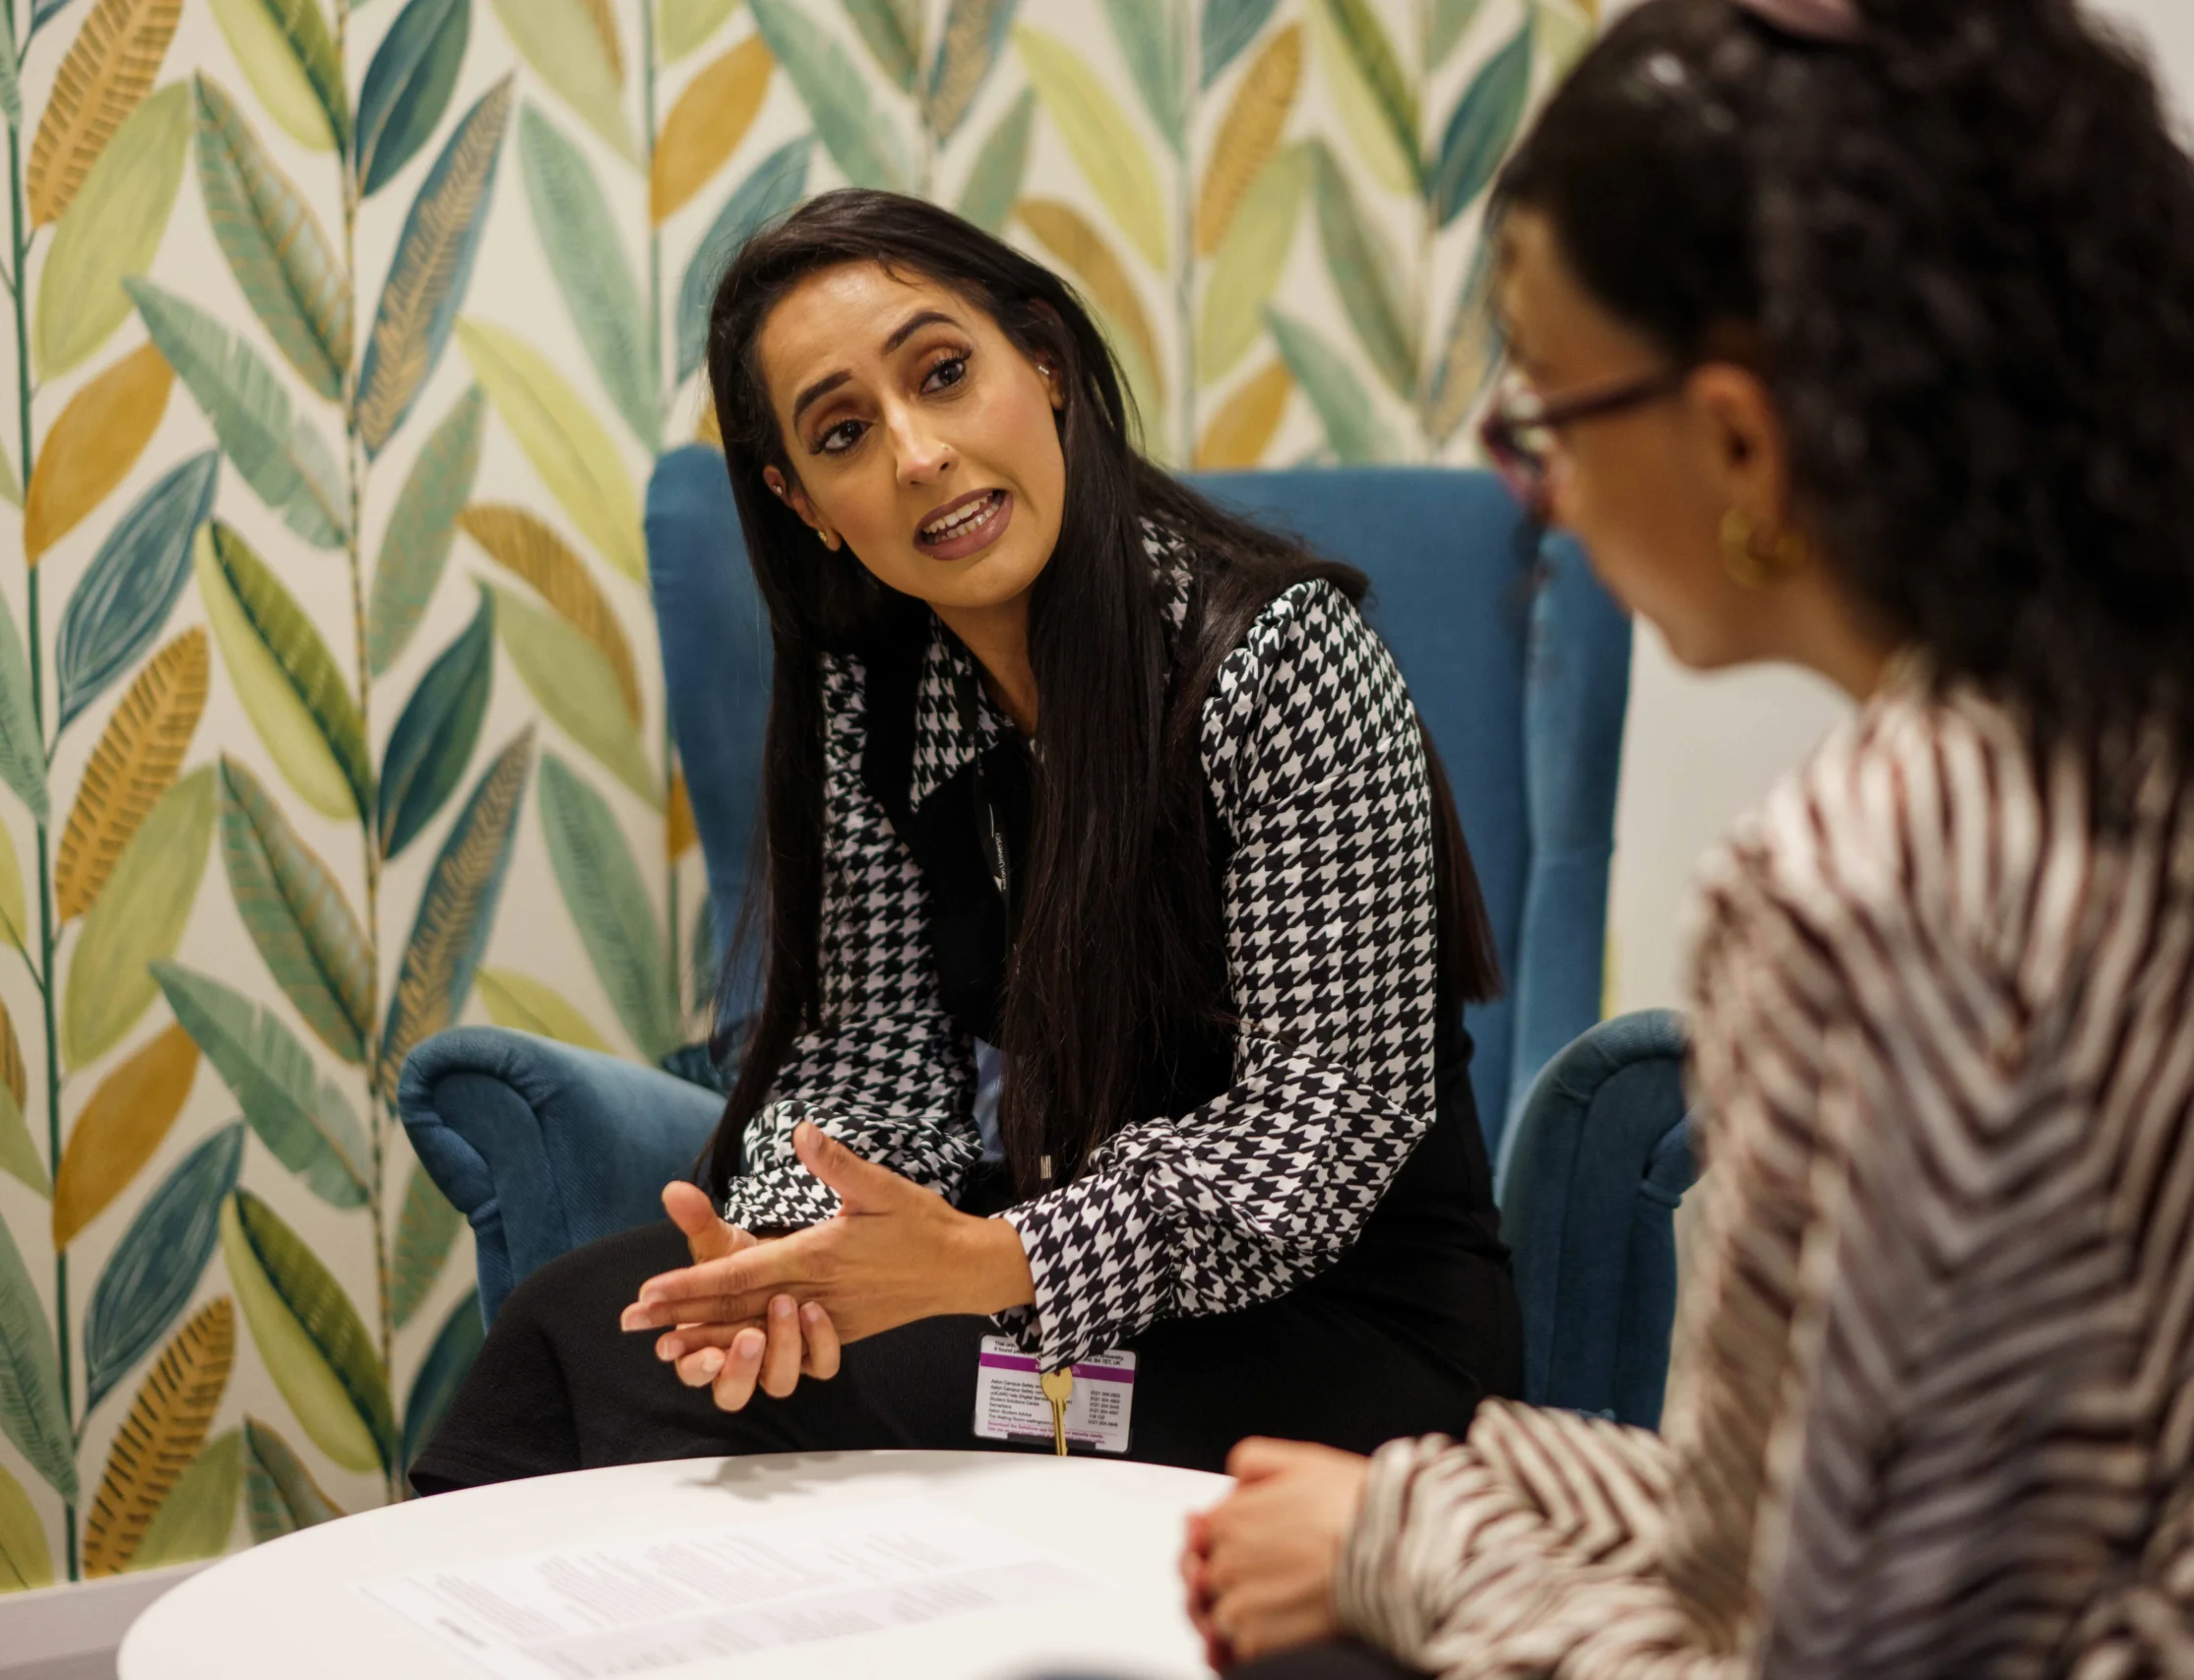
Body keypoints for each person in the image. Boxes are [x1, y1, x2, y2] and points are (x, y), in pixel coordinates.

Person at [1182, 0, 2194, 1673]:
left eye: (1547, 419)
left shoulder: (1882, 875)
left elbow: (1834, 1643)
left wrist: (1396, 1551)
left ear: (1739, 436)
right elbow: (1877, 1507)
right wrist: (1440, 1498)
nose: (1541, 491)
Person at [408, 191, 1522, 1489]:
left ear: (1044, 364)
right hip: (1059, 1301)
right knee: (585, 1325)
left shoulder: (1281, 659)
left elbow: (1316, 1132)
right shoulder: (868, 697)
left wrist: (991, 1263)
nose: (918, 452)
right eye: (844, 432)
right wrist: (788, 1261)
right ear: (803, 500)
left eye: (944, 374)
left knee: (671, 1398)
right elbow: (864, 1066)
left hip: (1342, 1345)